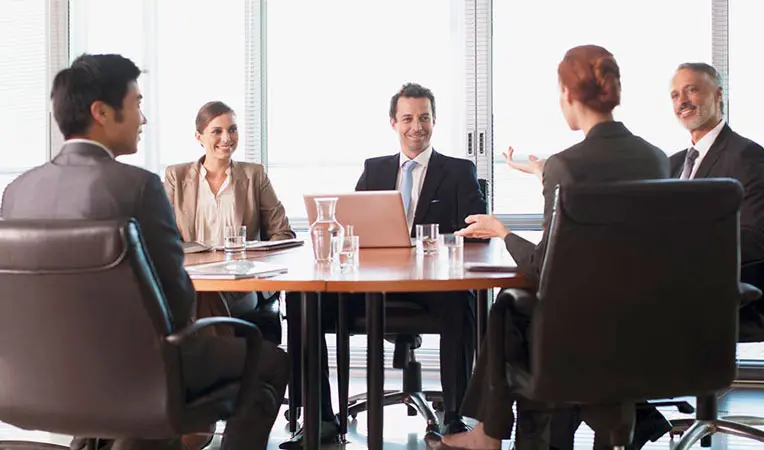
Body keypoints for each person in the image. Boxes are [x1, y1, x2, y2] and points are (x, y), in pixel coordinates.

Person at [0, 53, 289, 450]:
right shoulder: (138, 187)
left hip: (36, 378)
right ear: (102, 112)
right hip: (135, 373)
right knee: (270, 363)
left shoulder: (17, 193)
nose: (143, 118)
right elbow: (176, 302)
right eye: (136, 104)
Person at [437, 45, 670, 450]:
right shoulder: (656, 159)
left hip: (579, 331)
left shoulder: (567, 165)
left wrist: (502, 232)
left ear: (566, 93)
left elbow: (545, 268)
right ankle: (494, 431)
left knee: (508, 306)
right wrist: (545, 171)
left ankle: (489, 432)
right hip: (643, 327)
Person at [282, 82, 486, 448]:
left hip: (431, 288)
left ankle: (453, 417)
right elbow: (352, 225)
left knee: (460, 302)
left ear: (434, 121)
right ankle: (320, 419)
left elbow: (478, 232)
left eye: (424, 118)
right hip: (371, 285)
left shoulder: (458, 171)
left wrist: (440, 242)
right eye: (407, 118)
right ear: (393, 122)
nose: (416, 127)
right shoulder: (374, 170)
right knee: (303, 302)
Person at [164, 101, 294, 343]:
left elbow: (283, 234)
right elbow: (164, 237)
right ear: (199, 137)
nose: (227, 138)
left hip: (241, 282)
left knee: (200, 297)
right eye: (217, 131)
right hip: (195, 278)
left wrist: (254, 259)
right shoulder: (176, 176)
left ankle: (210, 366)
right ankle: (226, 362)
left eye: (232, 130)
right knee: (200, 291)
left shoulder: (254, 175)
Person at [669, 62, 764, 294]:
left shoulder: (745, 155)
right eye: (675, 95)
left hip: (716, 286)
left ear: (718, 95)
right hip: (671, 281)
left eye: (692, 90)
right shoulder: (672, 164)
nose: (682, 101)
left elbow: (755, 239)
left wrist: (683, 251)